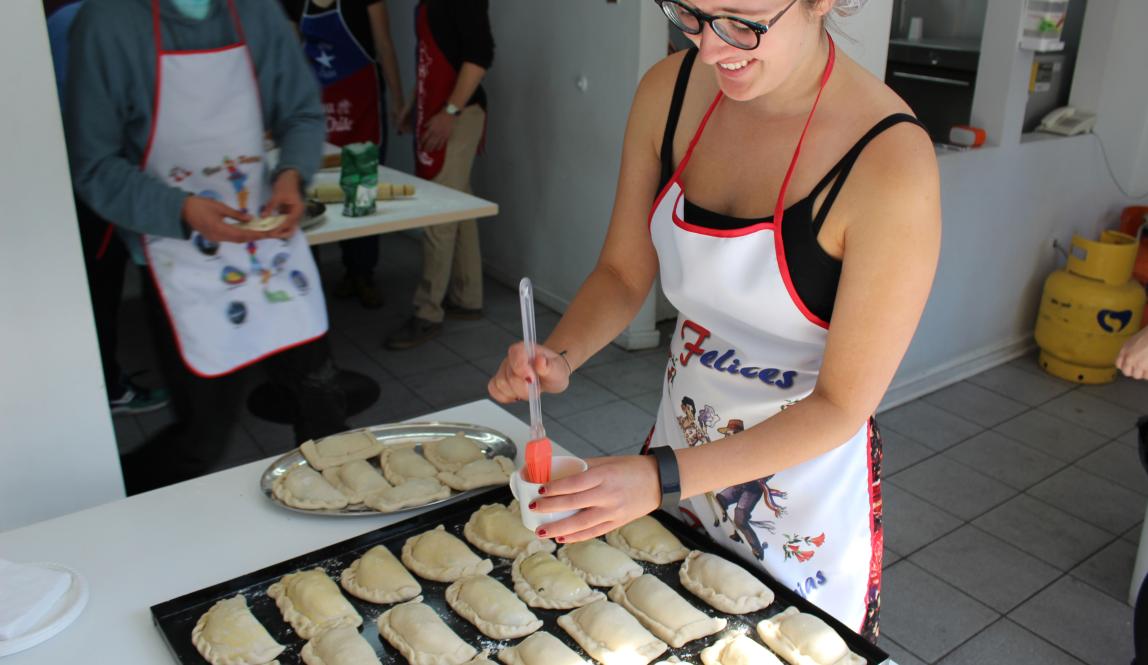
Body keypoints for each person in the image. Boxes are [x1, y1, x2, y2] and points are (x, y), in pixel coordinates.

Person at [487, 0, 940, 640]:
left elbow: (843, 404)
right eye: (691, 14)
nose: (711, 47)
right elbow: (621, 272)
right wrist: (559, 355)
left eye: (742, 20)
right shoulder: (668, 94)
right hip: (674, 470)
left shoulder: (889, 165)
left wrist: (657, 475)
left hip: (796, 508)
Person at [65, 0, 347, 494]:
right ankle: (107, 508)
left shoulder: (255, 12)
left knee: (323, 407)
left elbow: (300, 113)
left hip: (269, 247)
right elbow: (94, 165)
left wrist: (290, 175)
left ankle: (344, 536)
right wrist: (183, 209)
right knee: (201, 437)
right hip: (181, 253)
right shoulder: (109, 22)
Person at [46, 0, 171, 416]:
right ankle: (108, 387)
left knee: (98, 284)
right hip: (98, 182)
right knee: (99, 286)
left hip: (83, 176)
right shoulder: (87, 21)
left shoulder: (73, 18)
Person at [384, 0, 494, 350]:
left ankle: (427, 312)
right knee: (459, 206)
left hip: (459, 115)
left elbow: (479, 58)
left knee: (439, 214)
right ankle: (467, 297)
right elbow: (430, 60)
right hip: (439, 108)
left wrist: (449, 111)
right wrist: (411, 105)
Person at [281, 0, 405, 309]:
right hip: (316, 113)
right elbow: (291, 59)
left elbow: (384, 46)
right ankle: (309, 281)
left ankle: (361, 273)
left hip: (360, 110)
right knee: (310, 196)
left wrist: (397, 99)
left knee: (361, 194)